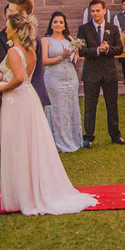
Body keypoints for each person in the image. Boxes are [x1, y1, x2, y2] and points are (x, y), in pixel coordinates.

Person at [0, 13, 97, 216]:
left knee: (19, 145)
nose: (5, 29)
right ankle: (31, 189)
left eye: (7, 25)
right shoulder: (30, 50)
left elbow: (17, 79)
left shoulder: (15, 52)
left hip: (17, 99)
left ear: (15, 29)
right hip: (28, 98)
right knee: (31, 144)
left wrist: (0, 86)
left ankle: (25, 194)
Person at [77, 0, 125, 148]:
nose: (95, 13)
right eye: (92, 11)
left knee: (112, 104)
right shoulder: (84, 29)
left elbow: (119, 48)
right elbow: (81, 50)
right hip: (91, 72)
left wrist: (108, 49)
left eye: (98, 10)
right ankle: (88, 137)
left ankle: (115, 135)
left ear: (104, 11)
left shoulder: (113, 28)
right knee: (90, 105)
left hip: (109, 72)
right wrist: (98, 50)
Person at [41, 11, 83, 153]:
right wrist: (61, 57)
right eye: (55, 22)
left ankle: (74, 139)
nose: (58, 25)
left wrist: (74, 53)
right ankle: (58, 141)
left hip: (70, 77)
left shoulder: (69, 39)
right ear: (51, 24)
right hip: (54, 78)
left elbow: (75, 60)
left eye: (61, 22)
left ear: (65, 25)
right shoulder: (45, 40)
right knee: (57, 108)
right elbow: (44, 61)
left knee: (71, 107)